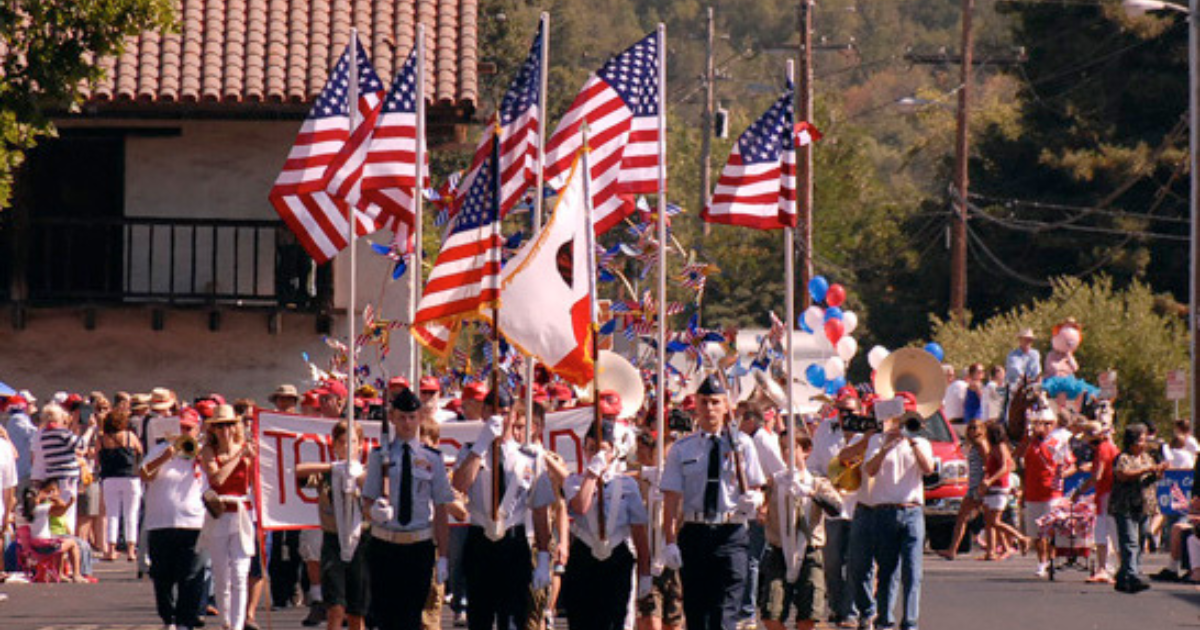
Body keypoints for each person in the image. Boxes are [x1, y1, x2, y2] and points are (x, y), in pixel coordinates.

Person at [660, 375, 766, 630]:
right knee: (697, 614)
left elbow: (757, 489)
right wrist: (670, 542)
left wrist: (756, 499)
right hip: (695, 533)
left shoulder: (743, 444)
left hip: (731, 534)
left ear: (726, 405)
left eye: (715, 402)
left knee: (726, 613)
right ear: (695, 405)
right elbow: (671, 500)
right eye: (704, 402)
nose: (709, 408)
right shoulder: (681, 449)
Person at [451, 387, 556, 630]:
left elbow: (540, 511)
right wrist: (482, 444)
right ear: (484, 413)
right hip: (480, 542)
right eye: (493, 410)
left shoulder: (528, 456)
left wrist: (542, 557)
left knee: (512, 620)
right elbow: (459, 485)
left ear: (514, 416)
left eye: (505, 412)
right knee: (480, 619)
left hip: (513, 542)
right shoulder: (470, 452)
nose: (500, 417)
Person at [562, 418, 652, 630]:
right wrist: (592, 473)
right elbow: (580, 507)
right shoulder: (575, 481)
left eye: (602, 450)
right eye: (591, 449)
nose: (596, 455)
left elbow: (639, 533)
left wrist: (645, 573)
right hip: (585, 556)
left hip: (616, 557)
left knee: (614, 621)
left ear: (613, 452)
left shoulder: (628, 485)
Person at [852, 400, 935, 630]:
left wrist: (912, 442)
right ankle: (885, 620)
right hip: (884, 511)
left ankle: (910, 621)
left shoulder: (921, 442)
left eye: (907, 418)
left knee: (913, 569)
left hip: (912, 510)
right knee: (887, 570)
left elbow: (928, 469)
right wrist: (886, 447)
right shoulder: (877, 441)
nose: (902, 423)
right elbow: (869, 470)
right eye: (900, 418)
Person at [758, 432, 842, 630]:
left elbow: (836, 509)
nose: (787, 452)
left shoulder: (817, 482)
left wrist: (812, 494)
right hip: (779, 551)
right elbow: (759, 502)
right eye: (783, 447)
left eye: (792, 447)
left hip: (809, 551)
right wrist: (760, 508)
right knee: (771, 613)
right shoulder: (774, 482)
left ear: (806, 451)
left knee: (809, 615)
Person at [298, 419, 370, 630]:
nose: (348, 447)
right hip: (333, 541)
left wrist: (356, 475)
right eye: (342, 442)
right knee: (336, 608)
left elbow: (372, 490)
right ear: (335, 445)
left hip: (361, 541)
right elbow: (299, 471)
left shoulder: (365, 471)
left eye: (353, 442)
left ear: (361, 445)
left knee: (357, 612)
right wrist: (333, 467)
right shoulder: (327, 474)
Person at [141, 409, 207, 630]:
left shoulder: (203, 453)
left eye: (189, 428)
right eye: (181, 428)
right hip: (161, 522)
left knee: (191, 576)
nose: (184, 432)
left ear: (197, 430)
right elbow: (144, 475)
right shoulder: (160, 449)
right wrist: (165, 457)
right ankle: (168, 619)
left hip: (193, 522)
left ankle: (184, 622)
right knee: (163, 577)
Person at [200, 404, 258, 630]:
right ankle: (226, 622)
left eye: (229, 424)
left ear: (236, 427)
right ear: (213, 429)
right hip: (219, 514)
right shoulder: (208, 451)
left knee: (240, 573)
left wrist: (251, 462)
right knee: (222, 574)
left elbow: (255, 482)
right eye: (220, 425)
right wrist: (238, 458)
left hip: (242, 513)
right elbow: (217, 480)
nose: (225, 429)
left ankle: (236, 625)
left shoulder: (246, 449)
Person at [1016, 406, 1074, 577]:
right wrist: (1029, 436)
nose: (1044, 427)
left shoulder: (1058, 443)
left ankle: (1050, 561)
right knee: (1037, 532)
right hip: (1033, 492)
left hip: (1051, 493)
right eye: (1041, 423)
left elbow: (1071, 464)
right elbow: (1017, 455)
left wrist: (1064, 473)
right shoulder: (1029, 443)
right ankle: (1042, 562)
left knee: (1049, 531)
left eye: (1048, 423)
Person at [1110, 423, 1168, 593]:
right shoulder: (1124, 458)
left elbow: (1151, 478)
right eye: (1141, 440)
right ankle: (1133, 576)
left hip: (1144, 506)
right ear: (1133, 441)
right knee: (1130, 541)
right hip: (1125, 505)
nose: (1144, 443)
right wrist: (1145, 470)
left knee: (1141, 539)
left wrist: (1158, 471)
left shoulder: (1147, 457)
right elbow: (1122, 475)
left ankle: (1122, 576)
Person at [1072, 422, 1119, 584]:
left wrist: (1079, 491)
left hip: (1107, 494)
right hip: (1108, 494)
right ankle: (1108, 568)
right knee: (1108, 532)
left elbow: (1097, 476)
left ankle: (1106, 568)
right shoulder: (1109, 447)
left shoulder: (1102, 449)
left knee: (1104, 532)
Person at [936, 419, 987, 561]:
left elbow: (988, 463)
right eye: (970, 427)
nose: (973, 430)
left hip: (978, 487)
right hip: (973, 486)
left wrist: (984, 483)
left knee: (967, 518)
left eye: (976, 427)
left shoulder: (982, 444)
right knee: (965, 518)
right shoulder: (973, 446)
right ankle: (953, 549)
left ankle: (953, 549)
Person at [99, 407, 143, 562]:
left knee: (112, 514)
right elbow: (139, 450)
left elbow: (98, 459)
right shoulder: (129, 436)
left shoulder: (102, 439)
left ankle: (111, 549)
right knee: (131, 514)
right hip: (130, 477)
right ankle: (131, 550)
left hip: (109, 478)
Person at [980, 422, 1029, 560]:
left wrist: (990, 480)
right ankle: (990, 551)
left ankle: (1021, 538)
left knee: (995, 521)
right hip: (991, 486)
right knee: (989, 521)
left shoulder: (1001, 447)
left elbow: (1005, 467)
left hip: (999, 486)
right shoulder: (993, 448)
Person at [27, 478, 87, 582]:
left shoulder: (21, 510)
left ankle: (59, 573)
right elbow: (61, 508)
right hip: (43, 544)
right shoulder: (43, 508)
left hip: (33, 543)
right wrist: (63, 500)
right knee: (73, 544)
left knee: (62, 542)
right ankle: (77, 574)